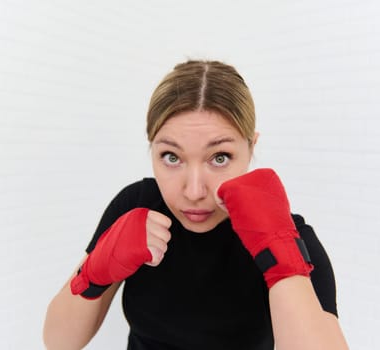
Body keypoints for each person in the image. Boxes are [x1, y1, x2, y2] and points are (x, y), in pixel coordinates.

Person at [43, 60, 349, 350]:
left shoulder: (286, 232)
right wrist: (95, 272)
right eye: (171, 157)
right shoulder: (136, 206)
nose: (193, 191)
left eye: (220, 158)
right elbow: (58, 342)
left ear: (251, 147)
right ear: (152, 149)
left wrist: (280, 254)